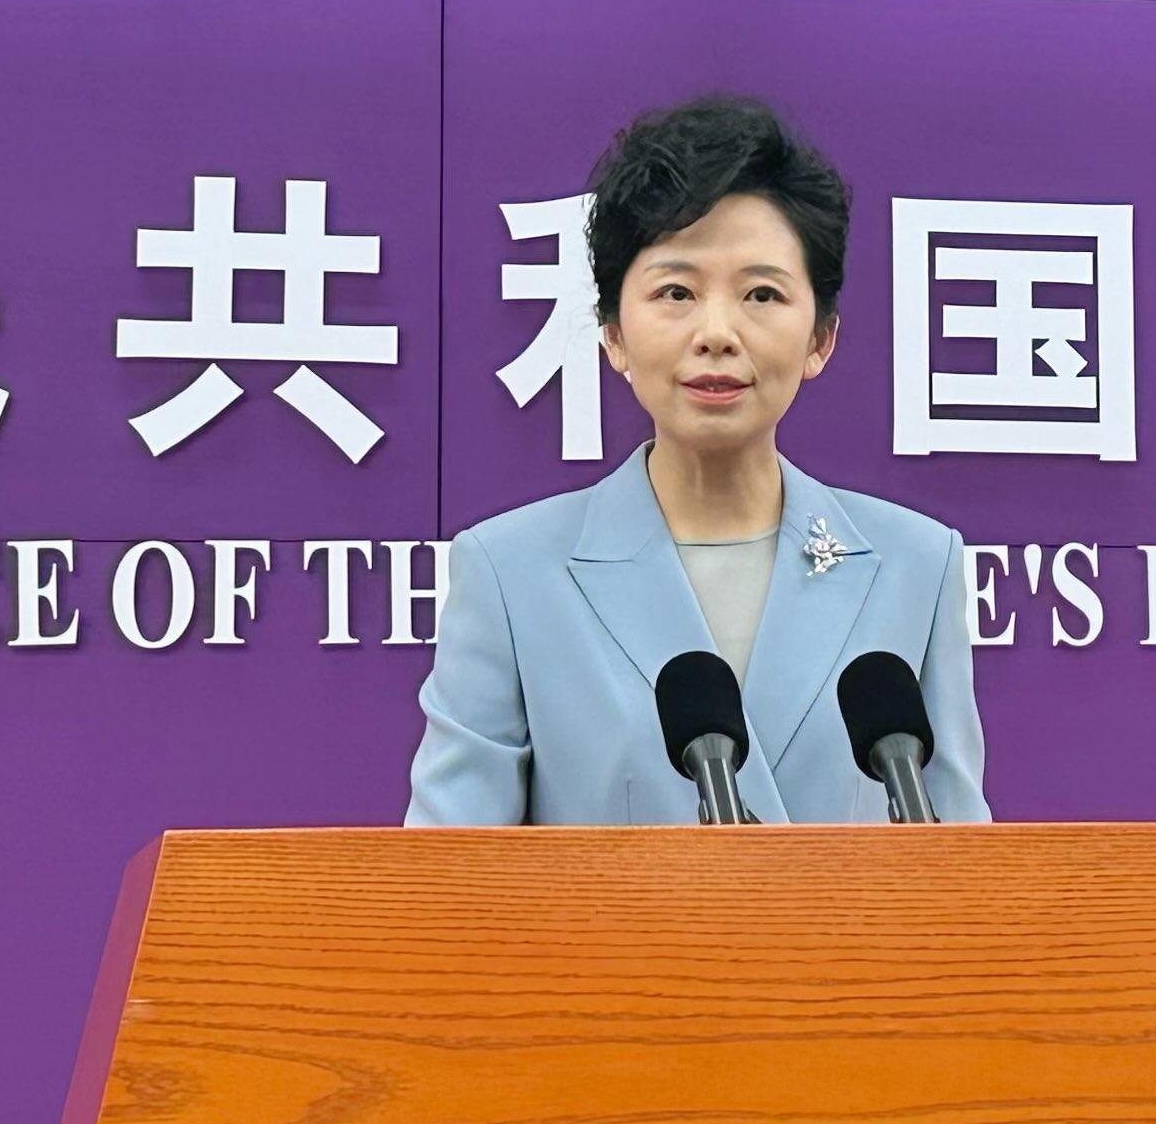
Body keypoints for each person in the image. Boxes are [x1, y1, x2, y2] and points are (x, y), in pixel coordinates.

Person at [404, 94, 991, 826]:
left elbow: (962, 864)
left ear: (821, 338)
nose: (717, 332)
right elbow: (452, 873)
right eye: (676, 291)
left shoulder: (916, 565)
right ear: (615, 333)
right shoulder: (511, 573)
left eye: (762, 294)